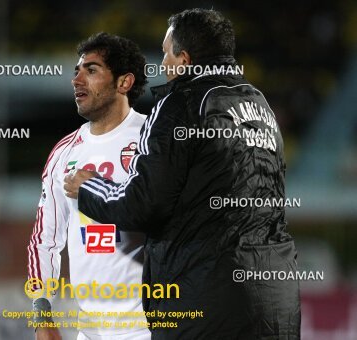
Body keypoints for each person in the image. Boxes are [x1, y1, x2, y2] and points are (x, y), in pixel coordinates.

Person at [64, 8, 301, 340]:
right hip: (278, 303)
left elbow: (143, 204)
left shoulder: (182, 103)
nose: (163, 65)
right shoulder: (259, 105)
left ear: (185, 59)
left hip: (207, 303)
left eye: (166, 54)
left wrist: (90, 188)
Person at [27, 32, 151, 340]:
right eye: (76, 71)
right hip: (90, 333)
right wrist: (42, 315)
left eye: (91, 70)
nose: (77, 79)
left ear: (124, 82)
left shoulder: (154, 140)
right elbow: (45, 240)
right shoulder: (64, 152)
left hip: (150, 329)